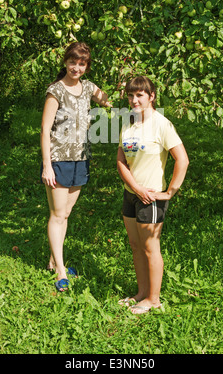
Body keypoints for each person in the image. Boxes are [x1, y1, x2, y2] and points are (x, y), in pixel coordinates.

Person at [40, 42, 111, 292]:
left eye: (82, 64)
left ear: (86, 66)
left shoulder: (89, 87)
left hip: (81, 158)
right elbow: (45, 130)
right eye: (73, 62)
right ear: (65, 62)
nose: (76, 67)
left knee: (66, 214)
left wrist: (129, 88)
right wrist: (47, 166)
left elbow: (111, 103)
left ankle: (53, 260)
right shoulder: (55, 91)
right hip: (59, 159)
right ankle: (60, 269)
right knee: (57, 215)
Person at [117, 76, 189, 314]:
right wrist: (134, 187)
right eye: (130, 95)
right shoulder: (128, 122)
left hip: (151, 198)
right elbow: (121, 160)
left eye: (139, 95)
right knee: (135, 246)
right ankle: (141, 293)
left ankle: (154, 299)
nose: (134, 100)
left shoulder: (162, 124)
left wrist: (169, 192)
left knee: (150, 248)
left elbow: (183, 159)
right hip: (131, 193)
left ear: (151, 96)